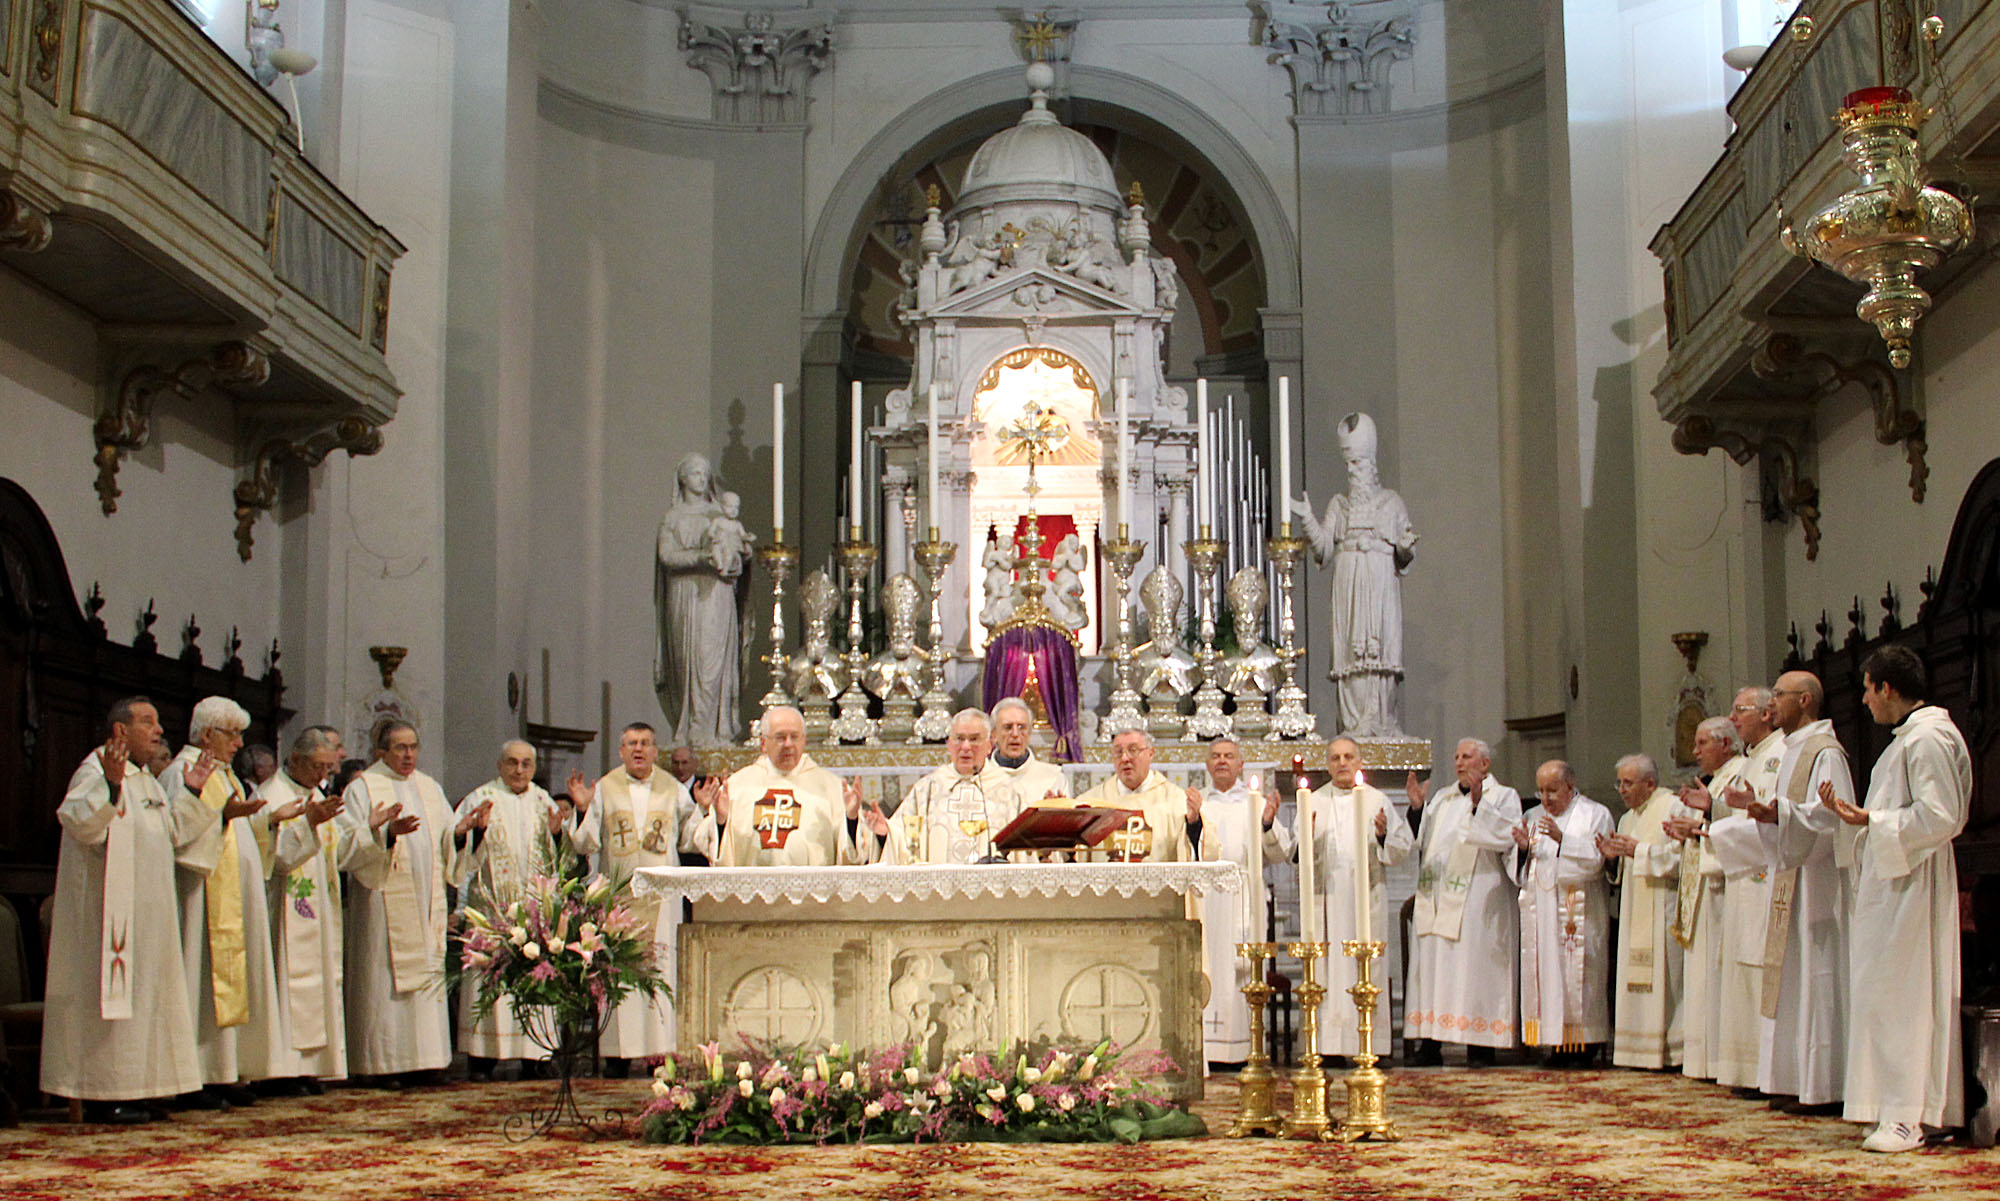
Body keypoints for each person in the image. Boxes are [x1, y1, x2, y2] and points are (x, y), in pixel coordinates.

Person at [41, 698, 215, 1123]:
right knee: (112, 1002)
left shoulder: (146, 779)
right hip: (108, 920)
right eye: (146, 722)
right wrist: (111, 785)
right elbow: (78, 821)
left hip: (150, 918)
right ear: (120, 731)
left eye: (158, 722)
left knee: (149, 1001)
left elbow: (171, 832)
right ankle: (104, 1093)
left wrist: (192, 791)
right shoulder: (95, 770)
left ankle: (141, 1088)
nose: (159, 730)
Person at [1828, 645, 1971, 1152]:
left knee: (1905, 995)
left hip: (1913, 880)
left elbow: (1942, 816)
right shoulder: (1907, 740)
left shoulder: (1927, 739)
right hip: (1894, 878)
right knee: (1884, 993)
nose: (1864, 701)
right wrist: (1864, 820)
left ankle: (1909, 1114)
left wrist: (1873, 820)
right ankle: (1899, 1107)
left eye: (1868, 690)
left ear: (1886, 687)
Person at [1733, 670, 1854, 1111]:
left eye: (1779, 695)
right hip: (1792, 879)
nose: (1772, 705)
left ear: (1804, 700)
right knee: (1791, 982)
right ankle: (1792, 1080)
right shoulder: (1791, 751)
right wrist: (1770, 814)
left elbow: (1833, 815)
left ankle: (1823, 1087)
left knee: (1816, 978)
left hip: (1818, 886)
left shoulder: (1825, 753)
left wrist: (1779, 814)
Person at [572, 722, 717, 1074]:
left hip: (662, 899)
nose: (639, 749)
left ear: (655, 751)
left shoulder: (672, 789)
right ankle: (616, 1056)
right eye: (632, 743)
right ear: (621, 751)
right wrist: (582, 809)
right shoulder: (605, 788)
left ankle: (659, 1052)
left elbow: (691, 840)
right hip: (618, 897)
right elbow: (584, 843)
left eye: (646, 743)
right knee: (617, 971)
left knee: (660, 969)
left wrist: (702, 809)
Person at [341, 719, 479, 1087]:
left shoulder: (429, 787)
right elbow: (346, 846)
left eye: (413, 747)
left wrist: (463, 833)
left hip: (426, 903)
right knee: (384, 977)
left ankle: (427, 1060)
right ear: (381, 751)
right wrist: (385, 833)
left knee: (426, 977)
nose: (408, 755)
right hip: (381, 902)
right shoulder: (363, 788)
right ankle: (383, 1063)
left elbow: (448, 841)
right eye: (400, 748)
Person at [162, 697, 280, 1108]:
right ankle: (195, 1074)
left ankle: (224, 1070)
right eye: (233, 734)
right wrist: (225, 817)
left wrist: (267, 821)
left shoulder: (226, 775)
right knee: (200, 980)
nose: (239, 743)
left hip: (233, 894)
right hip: (199, 898)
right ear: (208, 734)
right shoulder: (181, 772)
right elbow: (176, 834)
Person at [1277, 736, 1413, 1061]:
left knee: (1365, 967)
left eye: (1348, 757)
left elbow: (1400, 849)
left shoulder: (1376, 800)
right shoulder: (1312, 801)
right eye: (1335, 758)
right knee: (1325, 970)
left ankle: (1368, 1044)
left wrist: (1383, 835)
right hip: (1325, 900)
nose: (1342, 763)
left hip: (1365, 898)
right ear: (1327, 765)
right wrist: (1307, 835)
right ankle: (1327, 1045)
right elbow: (1295, 853)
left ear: (1359, 762)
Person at [259, 725, 374, 1092]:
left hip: (320, 910)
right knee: (286, 983)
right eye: (317, 767)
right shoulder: (271, 796)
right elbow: (276, 858)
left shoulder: (316, 795)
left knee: (318, 984)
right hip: (281, 911)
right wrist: (308, 823)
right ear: (295, 759)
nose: (323, 775)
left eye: (328, 768)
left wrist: (375, 831)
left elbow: (340, 852)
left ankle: (309, 1067)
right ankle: (281, 1070)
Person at [1289, 411, 1418, 737]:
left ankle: (1381, 720)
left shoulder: (1391, 502)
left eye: (1356, 463)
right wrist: (1307, 519)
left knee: (1379, 649)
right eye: (1348, 464)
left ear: (1370, 464)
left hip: (1379, 581)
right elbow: (1323, 550)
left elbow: (1404, 556)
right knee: (1350, 651)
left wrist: (1404, 547)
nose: (1351, 470)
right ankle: (1352, 721)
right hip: (1348, 583)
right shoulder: (1339, 505)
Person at [455, 741, 579, 1080]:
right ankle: (483, 1058)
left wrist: (557, 835)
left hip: (534, 910)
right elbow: (457, 849)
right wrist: (476, 832)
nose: (519, 769)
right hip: (491, 909)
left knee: (535, 979)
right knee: (488, 982)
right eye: (512, 762)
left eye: (526, 763)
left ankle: (535, 1055)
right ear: (500, 765)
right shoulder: (480, 799)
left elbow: (566, 857)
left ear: (534, 768)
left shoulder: (543, 801)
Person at [1403, 738, 1521, 1066]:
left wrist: (1480, 806)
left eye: (1466, 756)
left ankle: (1480, 1046)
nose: (1459, 762)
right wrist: (1417, 810)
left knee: (1474, 969)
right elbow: (1422, 841)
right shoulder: (1443, 797)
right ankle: (1430, 1045)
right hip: (1438, 898)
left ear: (1485, 763)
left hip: (1478, 899)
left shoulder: (1503, 796)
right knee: (1433, 970)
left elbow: (1505, 837)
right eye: (1456, 757)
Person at [1695, 685, 1788, 1091]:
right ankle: (1745, 1069)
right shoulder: (1751, 760)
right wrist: (1716, 813)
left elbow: (1777, 816)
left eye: (1740, 711)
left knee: (1759, 969)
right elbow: (1742, 815)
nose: (1733, 719)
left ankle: (1764, 1070)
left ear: (1766, 714)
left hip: (1765, 879)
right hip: (1742, 877)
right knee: (1741, 971)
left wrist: (1722, 818)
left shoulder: (1782, 753)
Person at [1510, 760, 1613, 1067]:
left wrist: (1562, 840)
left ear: (1570, 786)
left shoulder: (1594, 814)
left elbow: (1596, 861)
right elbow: (1522, 871)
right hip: (1542, 913)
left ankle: (1584, 1046)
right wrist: (1523, 850)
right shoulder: (1533, 817)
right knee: (1548, 975)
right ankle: (1555, 1043)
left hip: (1579, 914)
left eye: (1552, 791)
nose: (1545, 799)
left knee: (1578, 977)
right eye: (1540, 791)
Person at [1666, 716, 1745, 1083]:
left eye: (1702, 743)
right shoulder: (1715, 780)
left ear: (1725, 744)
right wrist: (1688, 832)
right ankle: (1701, 1057)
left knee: (1715, 976)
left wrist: (1702, 824)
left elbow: (1741, 826)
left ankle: (1717, 1058)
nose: (1694, 751)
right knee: (1700, 978)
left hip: (1722, 889)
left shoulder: (1740, 774)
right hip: (1701, 888)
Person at [1600, 752, 1689, 1069]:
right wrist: (1612, 859)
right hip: (1634, 909)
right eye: (1619, 783)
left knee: (1666, 980)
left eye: (1628, 783)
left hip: (1663, 906)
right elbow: (1621, 871)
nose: (1622, 790)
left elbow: (1683, 859)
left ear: (1650, 784)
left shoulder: (1673, 807)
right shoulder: (1627, 818)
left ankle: (1670, 1052)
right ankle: (1637, 1050)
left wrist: (1640, 851)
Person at [1194, 739, 1280, 1064]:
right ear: (1207, 764)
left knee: (1242, 968)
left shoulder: (1255, 803)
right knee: (1207, 966)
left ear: (1240, 765)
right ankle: (1206, 1048)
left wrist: (1268, 823)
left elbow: (1280, 852)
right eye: (1216, 756)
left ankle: (1246, 1048)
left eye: (1229, 756)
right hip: (1206, 896)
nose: (1222, 761)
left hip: (1245, 894)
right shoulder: (1199, 802)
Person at [655, 452, 750, 745]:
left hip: (717, 594)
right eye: (696, 473)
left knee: (711, 659)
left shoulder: (720, 514)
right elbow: (666, 555)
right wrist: (700, 558)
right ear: (683, 478)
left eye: (705, 474)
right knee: (687, 660)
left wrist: (735, 561)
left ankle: (713, 729)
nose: (702, 478)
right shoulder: (673, 517)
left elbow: (740, 554)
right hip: (684, 594)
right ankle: (690, 728)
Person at [707, 706, 868, 866]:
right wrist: (721, 821)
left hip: (810, 882)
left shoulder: (831, 787)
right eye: (780, 737)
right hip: (751, 882)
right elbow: (710, 846)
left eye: (795, 737)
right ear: (763, 743)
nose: (788, 744)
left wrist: (851, 819)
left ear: (804, 741)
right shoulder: (737, 786)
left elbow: (853, 853)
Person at [866, 709, 1024, 864]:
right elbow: (903, 837)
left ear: (989, 745)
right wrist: (885, 833)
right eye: (959, 739)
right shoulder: (928, 788)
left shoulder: (1009, 791)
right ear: (949, 744)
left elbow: (1024, 851)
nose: (965, 747)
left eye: (974, 739)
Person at [1071, 727, 1201, 863]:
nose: (1125, 758)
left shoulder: (1176, 801)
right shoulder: (1090, 803)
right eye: (1118, 752)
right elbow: (1071, 857)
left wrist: (1194, 824)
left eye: (1133, 750)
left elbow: (1197, 853)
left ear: (1150, 754)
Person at [990, 697, 1067, 803]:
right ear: (994, 734)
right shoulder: (981, 780)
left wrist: (1052, 811)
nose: (1015, 734)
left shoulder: (1054, 778)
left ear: (1030, 733)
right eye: (1008, 727)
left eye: (1021, 727)